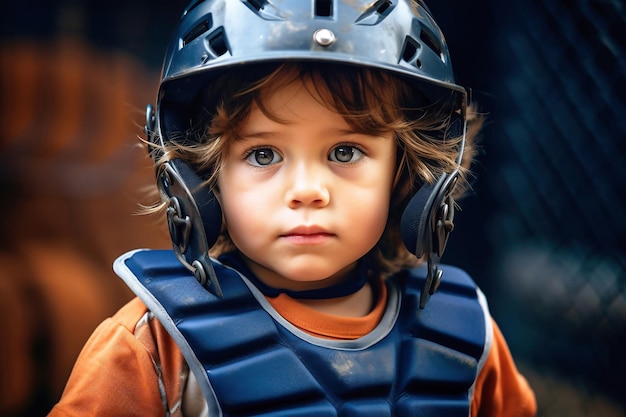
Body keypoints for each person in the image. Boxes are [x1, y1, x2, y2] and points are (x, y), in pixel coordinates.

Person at [48, 1, 536, 416]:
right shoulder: (153, 347)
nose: (306, 190)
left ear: (410, 175)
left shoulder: (466, 341)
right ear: (199, 180)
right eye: (263, 154)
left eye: (345, 152)